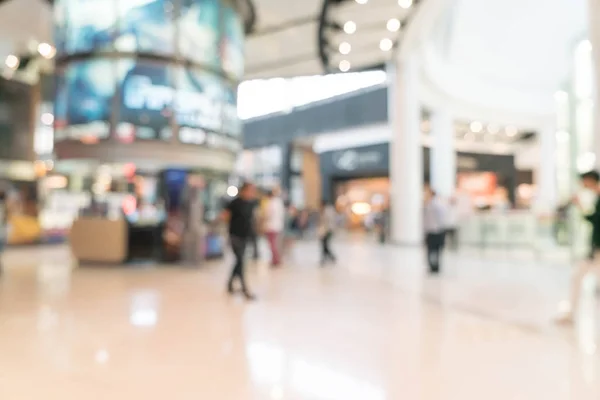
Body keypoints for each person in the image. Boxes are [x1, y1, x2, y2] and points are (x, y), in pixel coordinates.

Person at [556, 170, 600, 325]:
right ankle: (570, 314)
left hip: (597, 251)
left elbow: (595, 220)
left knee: (577, 277)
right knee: (577, 277)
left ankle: (570, 314)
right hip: (595, 250)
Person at [222, 182, 257, 300]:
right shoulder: (235, 203)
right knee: (240, 261)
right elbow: (225, 216)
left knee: (239, 261)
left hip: (246, 236)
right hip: (235, 236)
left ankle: (230, 283)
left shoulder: (252, 204)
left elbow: (252, 220)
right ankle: (244, 288)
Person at [424, 186, 446, 274]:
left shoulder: (435, 205)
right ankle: (434, 266)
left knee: (434, 250)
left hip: (435, 230)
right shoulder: (430, 204)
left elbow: (441, 218)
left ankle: (434, 266)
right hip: (434, 230)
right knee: (434, 250)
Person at [264, 187, 285, 267]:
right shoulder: (279, 202)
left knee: (272, 244)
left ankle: (275, 259)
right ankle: (276, 259)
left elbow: (268, 215)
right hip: (278, 226)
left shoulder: (270, 203)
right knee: (276, 243)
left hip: (271, 226)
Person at [318, 200, 337, 266]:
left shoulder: (328, 211)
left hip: (328, 231)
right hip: (324, 231)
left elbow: (329, 222)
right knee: (324, 245)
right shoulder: (323, 211)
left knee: (325, 245)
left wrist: (327, 230)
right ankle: (330, 257)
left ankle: (328, 258)